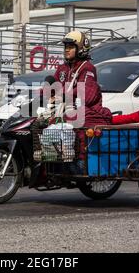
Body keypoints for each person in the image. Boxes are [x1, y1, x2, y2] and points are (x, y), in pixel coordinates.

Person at [43, 31, 112, 175]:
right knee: (41, 122)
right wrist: (40, 95)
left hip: (85, 112)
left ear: (81, 48)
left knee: (74, 120)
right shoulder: (62, 68)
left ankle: (80, 162)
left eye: (71, 46)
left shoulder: (87, 68)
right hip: (64, 109)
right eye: (65, 46)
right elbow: (53, 87)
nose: (67, 49)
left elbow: (86, 95)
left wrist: (61, 95)